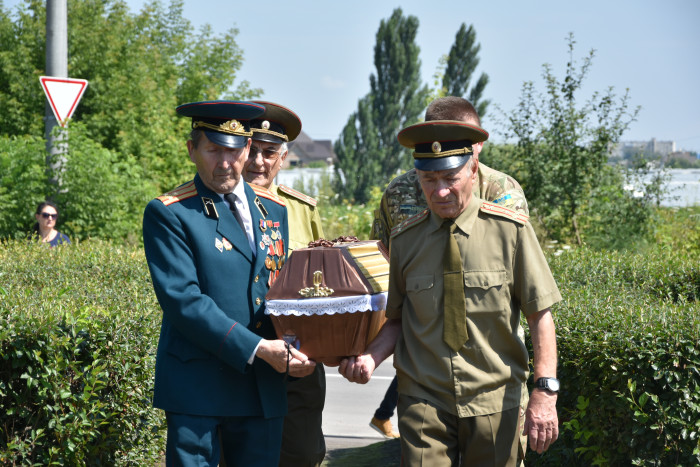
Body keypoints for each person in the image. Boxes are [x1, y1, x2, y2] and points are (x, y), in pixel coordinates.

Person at [341, 119, 561, 466]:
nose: (440, 191)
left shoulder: (511, 232)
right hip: (424, 398)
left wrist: (545, 392)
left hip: (495, 399)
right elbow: (397, 320)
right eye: (429, 180)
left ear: (473, 170)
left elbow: (540, 315)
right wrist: (370, 357)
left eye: (450, 178)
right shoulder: (405, 240)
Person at [142, 100, 316, 466]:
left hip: (262, 388)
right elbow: (184, 301)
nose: (225, 162)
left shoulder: (274, 209)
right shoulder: (170, 212)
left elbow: (278, 291)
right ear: (192, 149)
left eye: (234, 150)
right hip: (199, 389)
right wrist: (259, 348)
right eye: (214, 149)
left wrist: (315, 340)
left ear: (248, 149)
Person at [369, 96, 531, 452]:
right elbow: (386, 254)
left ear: (478, 147)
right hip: (424, 362)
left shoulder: (503, 192)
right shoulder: (399, 192)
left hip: (489, 361)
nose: (440, 188)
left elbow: (518, 270)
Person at [241, 101, 326, 466]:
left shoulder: (302, 209)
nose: (260, 162)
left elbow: (324, 283)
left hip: (299, 359)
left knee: (303, 454)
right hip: (242, 356)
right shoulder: (216, 205)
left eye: (269, 152)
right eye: (253, 151)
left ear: (284, 157)